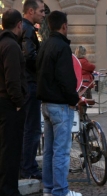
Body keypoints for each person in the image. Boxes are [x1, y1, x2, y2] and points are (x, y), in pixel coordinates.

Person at [36, 11, 83, 196]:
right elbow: (66, 78)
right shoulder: (62, 47)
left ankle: (49, 188)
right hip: (60, 104)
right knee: (62, 150)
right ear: (64, 26)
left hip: (46, 103)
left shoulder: (45, 45)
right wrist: (74, 99)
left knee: (49, 150)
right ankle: (60, 191)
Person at [0, 9, 31, 196]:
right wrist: (19, 103)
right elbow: (12, 79)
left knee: (5, 150)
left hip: (4, 102)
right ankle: (9, 195)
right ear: (19, 24)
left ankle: (9, 191)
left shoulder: (3, 43)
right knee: (10, 152)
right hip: (9, 105)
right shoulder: (11, 46)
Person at [20, 0, 45, 180]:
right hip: (30, 84)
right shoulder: (28, 29)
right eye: (41, 11)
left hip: (26, 83)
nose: (44, 14)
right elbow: (30, 56)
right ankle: (28, 167)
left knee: (28, 128)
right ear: (30, 11)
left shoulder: (24, 28)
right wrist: (43, 65)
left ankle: (26, 165)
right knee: (32, 128)